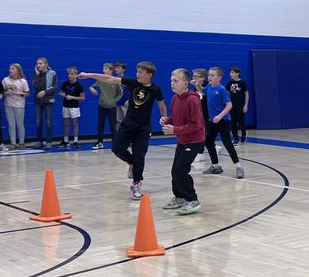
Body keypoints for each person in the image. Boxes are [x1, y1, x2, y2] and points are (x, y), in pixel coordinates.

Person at [79, 61, 166, 201]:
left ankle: (136, 183)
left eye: (141, 72)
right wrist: (89, 75)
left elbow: (161, 104)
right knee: (117, 148)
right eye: (137, 71)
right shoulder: (132, 83)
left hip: (144, 128)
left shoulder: (156, 89)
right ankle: (131, 162)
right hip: (129, 123)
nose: (137, 74)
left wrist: (164, 118)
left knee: (140, 155)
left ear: (149, 75)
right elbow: (109, 78)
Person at [160, 68, 205, 215]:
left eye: (176, 81)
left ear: (185, 83)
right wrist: (168, 120)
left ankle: (192, 199)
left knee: (181, 170)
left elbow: (195, 125)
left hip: (194, 140)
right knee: (175, 170)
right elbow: (177, 118)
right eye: (171, 80)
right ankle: (179, 197)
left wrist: (175, 130)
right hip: (183, 139)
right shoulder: (175, 98)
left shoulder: (193, 100)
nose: (172, 83)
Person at [200, 66, 245, 179]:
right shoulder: (209, 87)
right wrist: (196, 84)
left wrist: (220, 116)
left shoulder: (221, 89)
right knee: (209, 142)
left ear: (219, 77)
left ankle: (238, 166)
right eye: (209, 75)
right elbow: (203, 91)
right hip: (213, 121)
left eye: (212, 75)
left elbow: (229, 105)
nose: (209, 77)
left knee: (227, 143)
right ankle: (215, 166)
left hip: (223, 121)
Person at [89, 63, 122, 150]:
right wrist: (93, 90)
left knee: (113, 126)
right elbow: (92, 87)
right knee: (100, 125)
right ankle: (100, 143)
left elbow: (120, 92)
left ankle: (115, 144)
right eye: (103, 68)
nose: (104, 70)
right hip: (102, 105)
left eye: (106, 68)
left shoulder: (115, 80)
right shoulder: (100, 79)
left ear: (111, 70)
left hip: (112, 106)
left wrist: (114, 100)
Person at [2, 63, 29, 150]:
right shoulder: (5, 80)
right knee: (11, 124)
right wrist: (6, 93)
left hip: (19, 105)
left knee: (20, 124)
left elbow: (27, 93)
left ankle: (21, 143)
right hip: (8, 105)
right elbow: (1, 92)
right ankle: (13, 143)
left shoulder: (23, 81)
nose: (10, 70)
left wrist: (19, 93)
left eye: (13, 69)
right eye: (10, 68)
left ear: (18, 70)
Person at [32, 56, 57, 149]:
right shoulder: (36, 74)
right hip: (38, 101)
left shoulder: (52, 73)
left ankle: (49, 142)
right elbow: (35, 85)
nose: (38, 65)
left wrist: (45, 92)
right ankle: (39, 141)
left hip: (48, 101)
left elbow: (54, 86)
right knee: (38, 122)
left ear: (46, 64)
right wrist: (37, 75)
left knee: (48, 122)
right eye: (37, 63)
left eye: (40, 63)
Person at [59, 67, 85, 148]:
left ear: (76, 75)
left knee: (75, 124)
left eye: (72, 74)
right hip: (65, 105)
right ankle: (66, 140)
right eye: (69, 74)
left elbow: (83, 98)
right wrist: (62, 94)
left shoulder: (79, 86)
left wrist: (72, 97)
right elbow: (61, 92)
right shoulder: (65, 84)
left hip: (74, 107)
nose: (70, 76)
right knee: (66, 124)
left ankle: (76, 140)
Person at [227, 66, 249, 144]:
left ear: (237, 73)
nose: (231, 74)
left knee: (241, 122)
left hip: (240, 105)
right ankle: (235, 139)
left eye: (233, 72)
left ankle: (243, 136)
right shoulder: (229, 83)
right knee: (233, 123)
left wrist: (246, 105)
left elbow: (246, 94)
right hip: (232, 106)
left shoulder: (242, 83)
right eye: (230, 72)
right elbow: (226, 93)